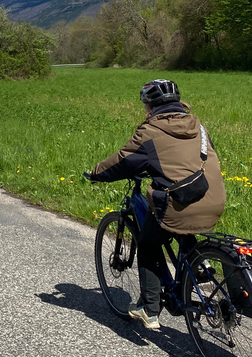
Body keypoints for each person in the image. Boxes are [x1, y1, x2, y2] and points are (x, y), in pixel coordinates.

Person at [88, 79, 226, 330]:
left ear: (150, 106)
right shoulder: (199, 127)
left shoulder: (150, 131)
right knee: (182, 222)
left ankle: (150, 309)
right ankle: (200, 263)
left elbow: (123, 161)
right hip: (213, 199)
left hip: (180, 204)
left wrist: (96, 174)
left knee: (148, 243)